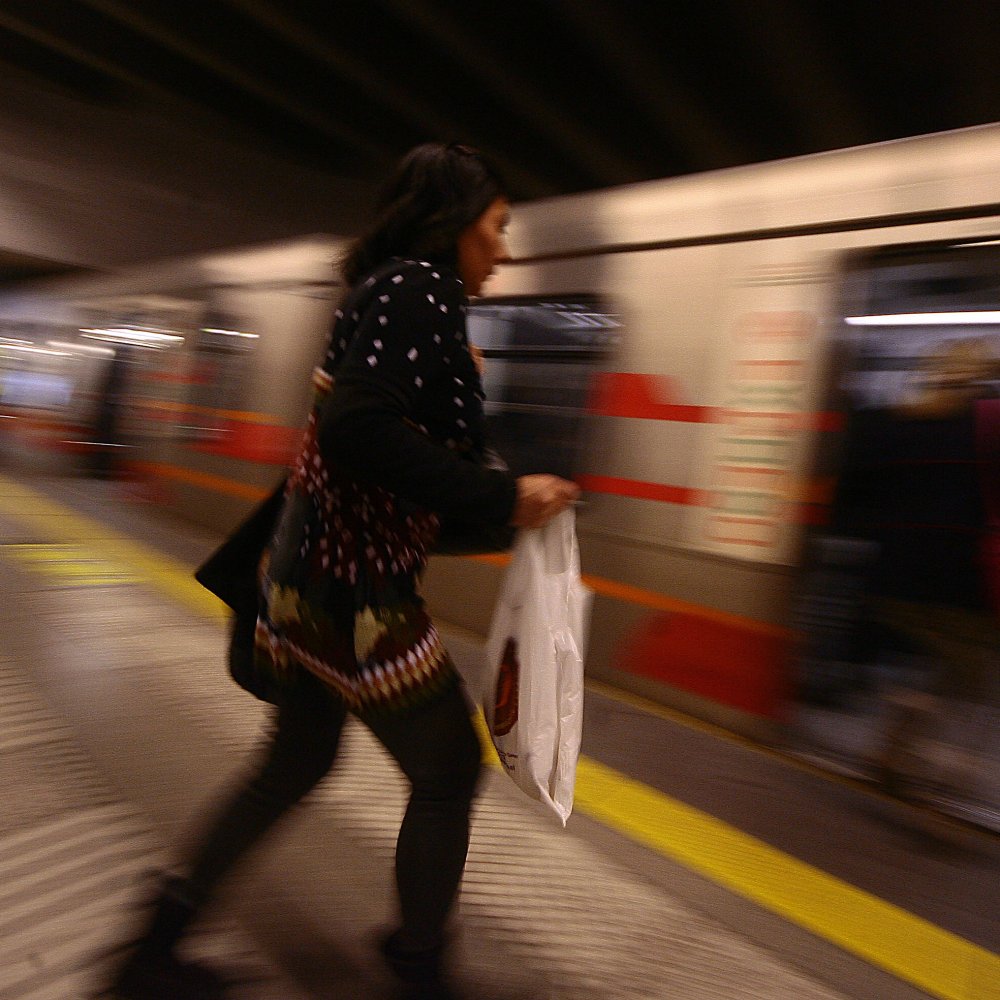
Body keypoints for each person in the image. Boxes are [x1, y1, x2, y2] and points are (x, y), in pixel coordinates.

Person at [105, 143, 580, 999]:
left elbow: (379, 442)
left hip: (305, 587)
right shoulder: (420, 289)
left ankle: (155, 942)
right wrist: (504, 497)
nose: (504, 250)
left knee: (295, 762)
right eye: (498, 228)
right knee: (447, 770)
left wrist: (495, 495)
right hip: (354, 595)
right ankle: (417, 966)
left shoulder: (385, 290)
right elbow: (361, 432)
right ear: (456, 221)